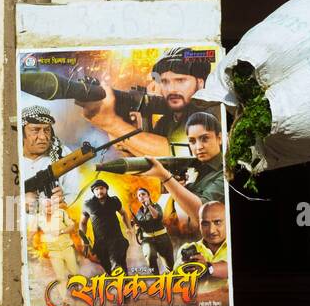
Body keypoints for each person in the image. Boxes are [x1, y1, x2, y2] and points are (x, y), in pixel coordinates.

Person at [80, 46, 214, 157]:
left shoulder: (208, 114)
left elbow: (175, 153)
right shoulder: (166, 122)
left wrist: (112, 124)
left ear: (200, 83)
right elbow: (147, 160)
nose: (171, 89)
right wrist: (121, 134)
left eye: (180, 80)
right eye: (165, 82)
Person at [144, 109, 228, 230]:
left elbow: (202, 212)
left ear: (219, 138)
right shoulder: (193, 164)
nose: (199, 147)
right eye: (192, 141)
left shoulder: (227, 171)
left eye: (205, 139)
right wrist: (177, 185)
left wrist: (166, 178)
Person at [18, 104, 75, 206]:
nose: (43, 137)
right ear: (22, 134)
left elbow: (75, 193)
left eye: (47, 130)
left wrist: (64, 200)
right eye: (35, 130)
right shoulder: (11, 157)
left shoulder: (64, 154)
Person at [175, 199, 229, 298]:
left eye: (217, 222)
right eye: (205, 224)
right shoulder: (187, 248)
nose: (211, 230)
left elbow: (230, 268)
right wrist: (183, 270)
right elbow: (175, 282)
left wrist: (207, 268)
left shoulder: (233, 248)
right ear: (199, 225)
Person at [79, 178, 132, 276]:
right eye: (96, 189)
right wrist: (84, 239)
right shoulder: (88, 204)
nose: (99, 191)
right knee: (109, 267)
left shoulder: (114, 201)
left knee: (116, 264)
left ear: (106, 189)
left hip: (116, 239)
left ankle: (123, 283)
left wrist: (128, 228)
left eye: (102, 188)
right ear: (93, 192)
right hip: (100, 243)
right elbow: (82, 223)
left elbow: (124, 213)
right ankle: (125, 284)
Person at [33, 194, 81, 291]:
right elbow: (33, 235)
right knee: (60, 277)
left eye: (50, 205)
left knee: (74, 272)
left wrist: (61, 231)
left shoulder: (61, 213)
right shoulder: (38, 218)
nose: (49, 208)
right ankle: (65, 301)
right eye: (46, 206)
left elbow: (72, 226)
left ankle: (79, 292)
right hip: (53, 252)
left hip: (67, 248)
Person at [131, 187, 173, 275]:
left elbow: (157, 216)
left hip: (162, 238)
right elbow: (139, 227)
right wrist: (136, 225)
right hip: (148, 240)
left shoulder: (156, 206)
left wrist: (148, 206)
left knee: (170, 266)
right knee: (150, 257)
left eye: (143, 194)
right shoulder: (139, 212)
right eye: (139, 195)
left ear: (148, 196)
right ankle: (158, 281)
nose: (141, 196)